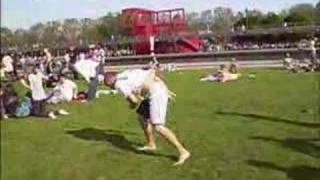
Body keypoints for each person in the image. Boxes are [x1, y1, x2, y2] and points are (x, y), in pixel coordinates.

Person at [104, 68, 190, 166]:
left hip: (156, 94)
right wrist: (164, 87)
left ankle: (183, 151)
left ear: (110, 84)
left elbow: (134, 101)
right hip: (153, 91)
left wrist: (131, 105)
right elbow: (152, 72)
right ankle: (151, 144)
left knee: (158, 127)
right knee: (142, 117)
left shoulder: (118, 85)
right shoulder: (125, 73)